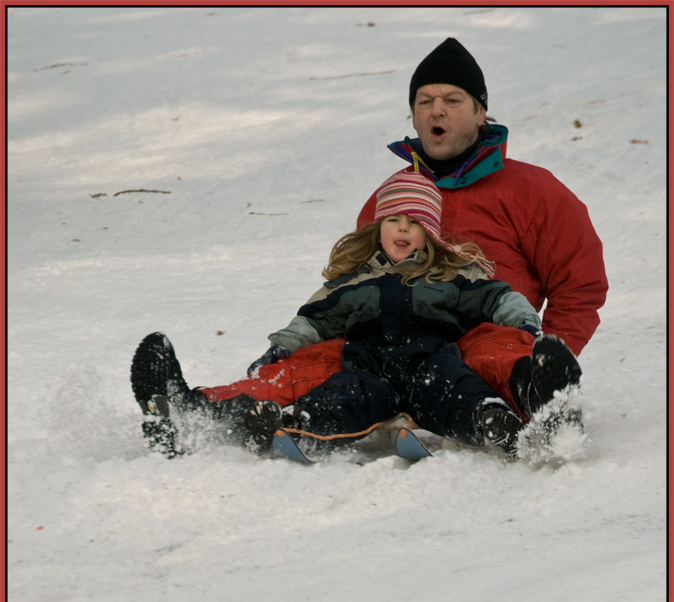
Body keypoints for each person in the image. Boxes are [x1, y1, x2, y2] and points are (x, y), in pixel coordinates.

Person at [214, 36, 607, 422]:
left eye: (452, 100)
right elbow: (357, 289)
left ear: (480, 112)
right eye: (425, 101)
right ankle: (209, 408)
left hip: (486, 355)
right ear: (414, 115)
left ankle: (543, 398)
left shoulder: (533, 192)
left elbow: (579, 286)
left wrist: (545, 355)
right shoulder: (390, 201)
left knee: (494, 353)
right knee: (317, 363)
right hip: (393, 353)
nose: (437, 111)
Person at [131, 171, 581, 461]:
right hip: (369, 366)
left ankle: (503, 416)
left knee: (457, 390)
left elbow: (497, 297)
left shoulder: (451, 274)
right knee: (339, 393)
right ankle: (193, 411)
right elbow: (315, 319)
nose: (403, 229)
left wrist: (524, 325)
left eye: (415, 221)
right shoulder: (353, 281)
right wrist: (284, 345)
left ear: (431, 233)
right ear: (378, 228)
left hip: (434, 361)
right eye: (394, 220)